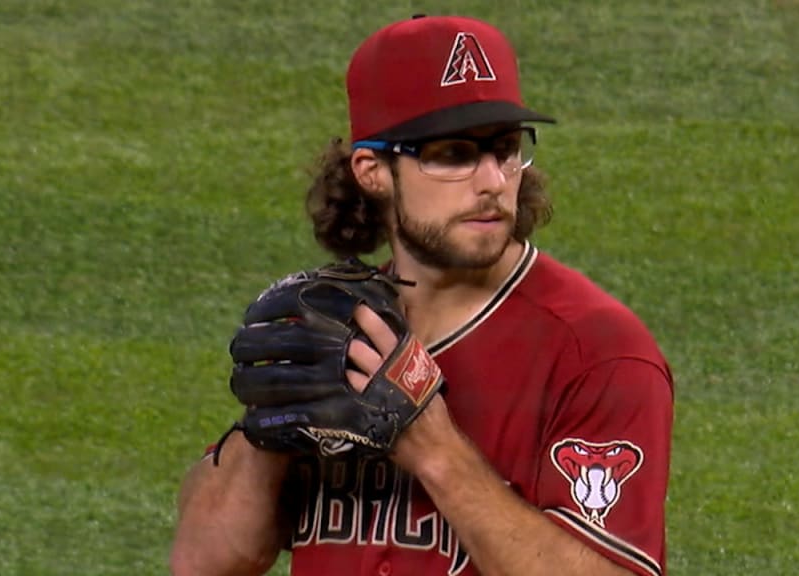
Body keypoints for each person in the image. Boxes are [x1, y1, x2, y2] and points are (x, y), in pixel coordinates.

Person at [171, 14, 675, 576]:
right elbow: (202, 563)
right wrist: (268, 428)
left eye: (505, 149)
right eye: (454, 154)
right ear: (372, 170)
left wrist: (435, 448)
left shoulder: (596, 350)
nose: (492, 181)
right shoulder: (335, 331)